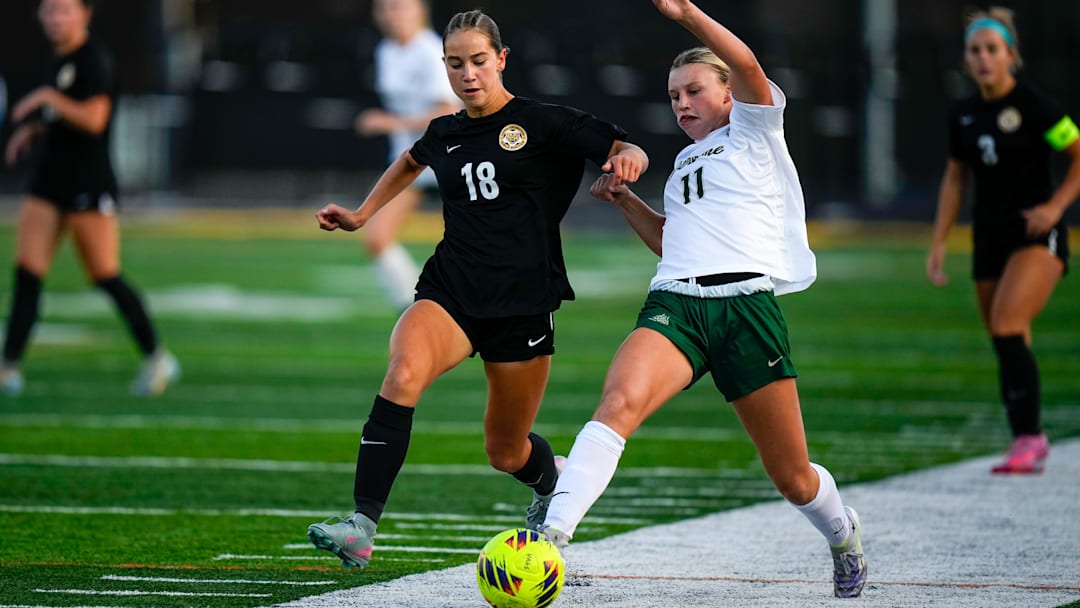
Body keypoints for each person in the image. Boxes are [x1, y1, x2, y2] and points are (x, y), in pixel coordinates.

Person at [538, 0, 867, 598]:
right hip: (676, 305)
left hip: (746, 309)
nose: (682, 103)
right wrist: (626, 203)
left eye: (694, 90)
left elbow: (745, 61)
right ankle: (551, 539)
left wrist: (687, 13)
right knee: (617, 404)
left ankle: (842, 532)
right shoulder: (685, 159)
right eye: (672, 96)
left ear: (727, 93)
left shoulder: (754, 127)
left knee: (792, 477)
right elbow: (671, 241)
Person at [307, 9, 648, 571]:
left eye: (479, 62)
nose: (468, 74)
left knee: (505, 450)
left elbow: (617, 144)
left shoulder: (542, 122)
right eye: (456, 64)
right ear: (444, 66)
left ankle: (550, 481)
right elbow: (410, 160)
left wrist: (628, 154)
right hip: (452, 290)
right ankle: (361, 525)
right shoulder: (446, 130)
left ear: (502, 60)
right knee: (402, 373)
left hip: (523, 303)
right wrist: (363, 214)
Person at [927, 7, 1079, 475]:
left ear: (1011, 55)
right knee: (1004, 336)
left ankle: (1031, 437)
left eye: (992, 49)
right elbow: (956, 179)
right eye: (975, 50)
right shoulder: (964, 113)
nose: (983, 58)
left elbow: (1078, 155)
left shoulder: (1035, 106)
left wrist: (1055, 209)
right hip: (988, 238)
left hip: (1035, 234)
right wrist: (938, 243)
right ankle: (1024, 438)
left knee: (1009, 323)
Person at [1, 0, 179, 397]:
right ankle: (8, 367)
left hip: (87, 183)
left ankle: (157, 356)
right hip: (49, 180)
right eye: (48, 11)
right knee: (27, 273)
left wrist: (48, 99)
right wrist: (33, 132)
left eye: (64, 10)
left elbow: (93, 120)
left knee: (104, 274)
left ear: (85, 14)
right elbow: (61, 121)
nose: (55, 19)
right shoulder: (57, 60)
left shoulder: (93, 58)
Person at [355, 0, 462, 310]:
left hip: (453, 157)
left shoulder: (431, 52)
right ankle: (416, 307)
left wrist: (389, 122)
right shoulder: (386, 51)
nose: (392, 15)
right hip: (413, 159)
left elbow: (447, 113)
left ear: (420, 10)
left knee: (481, 242)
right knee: (377, 237)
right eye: (385, 8)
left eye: (399, 7)